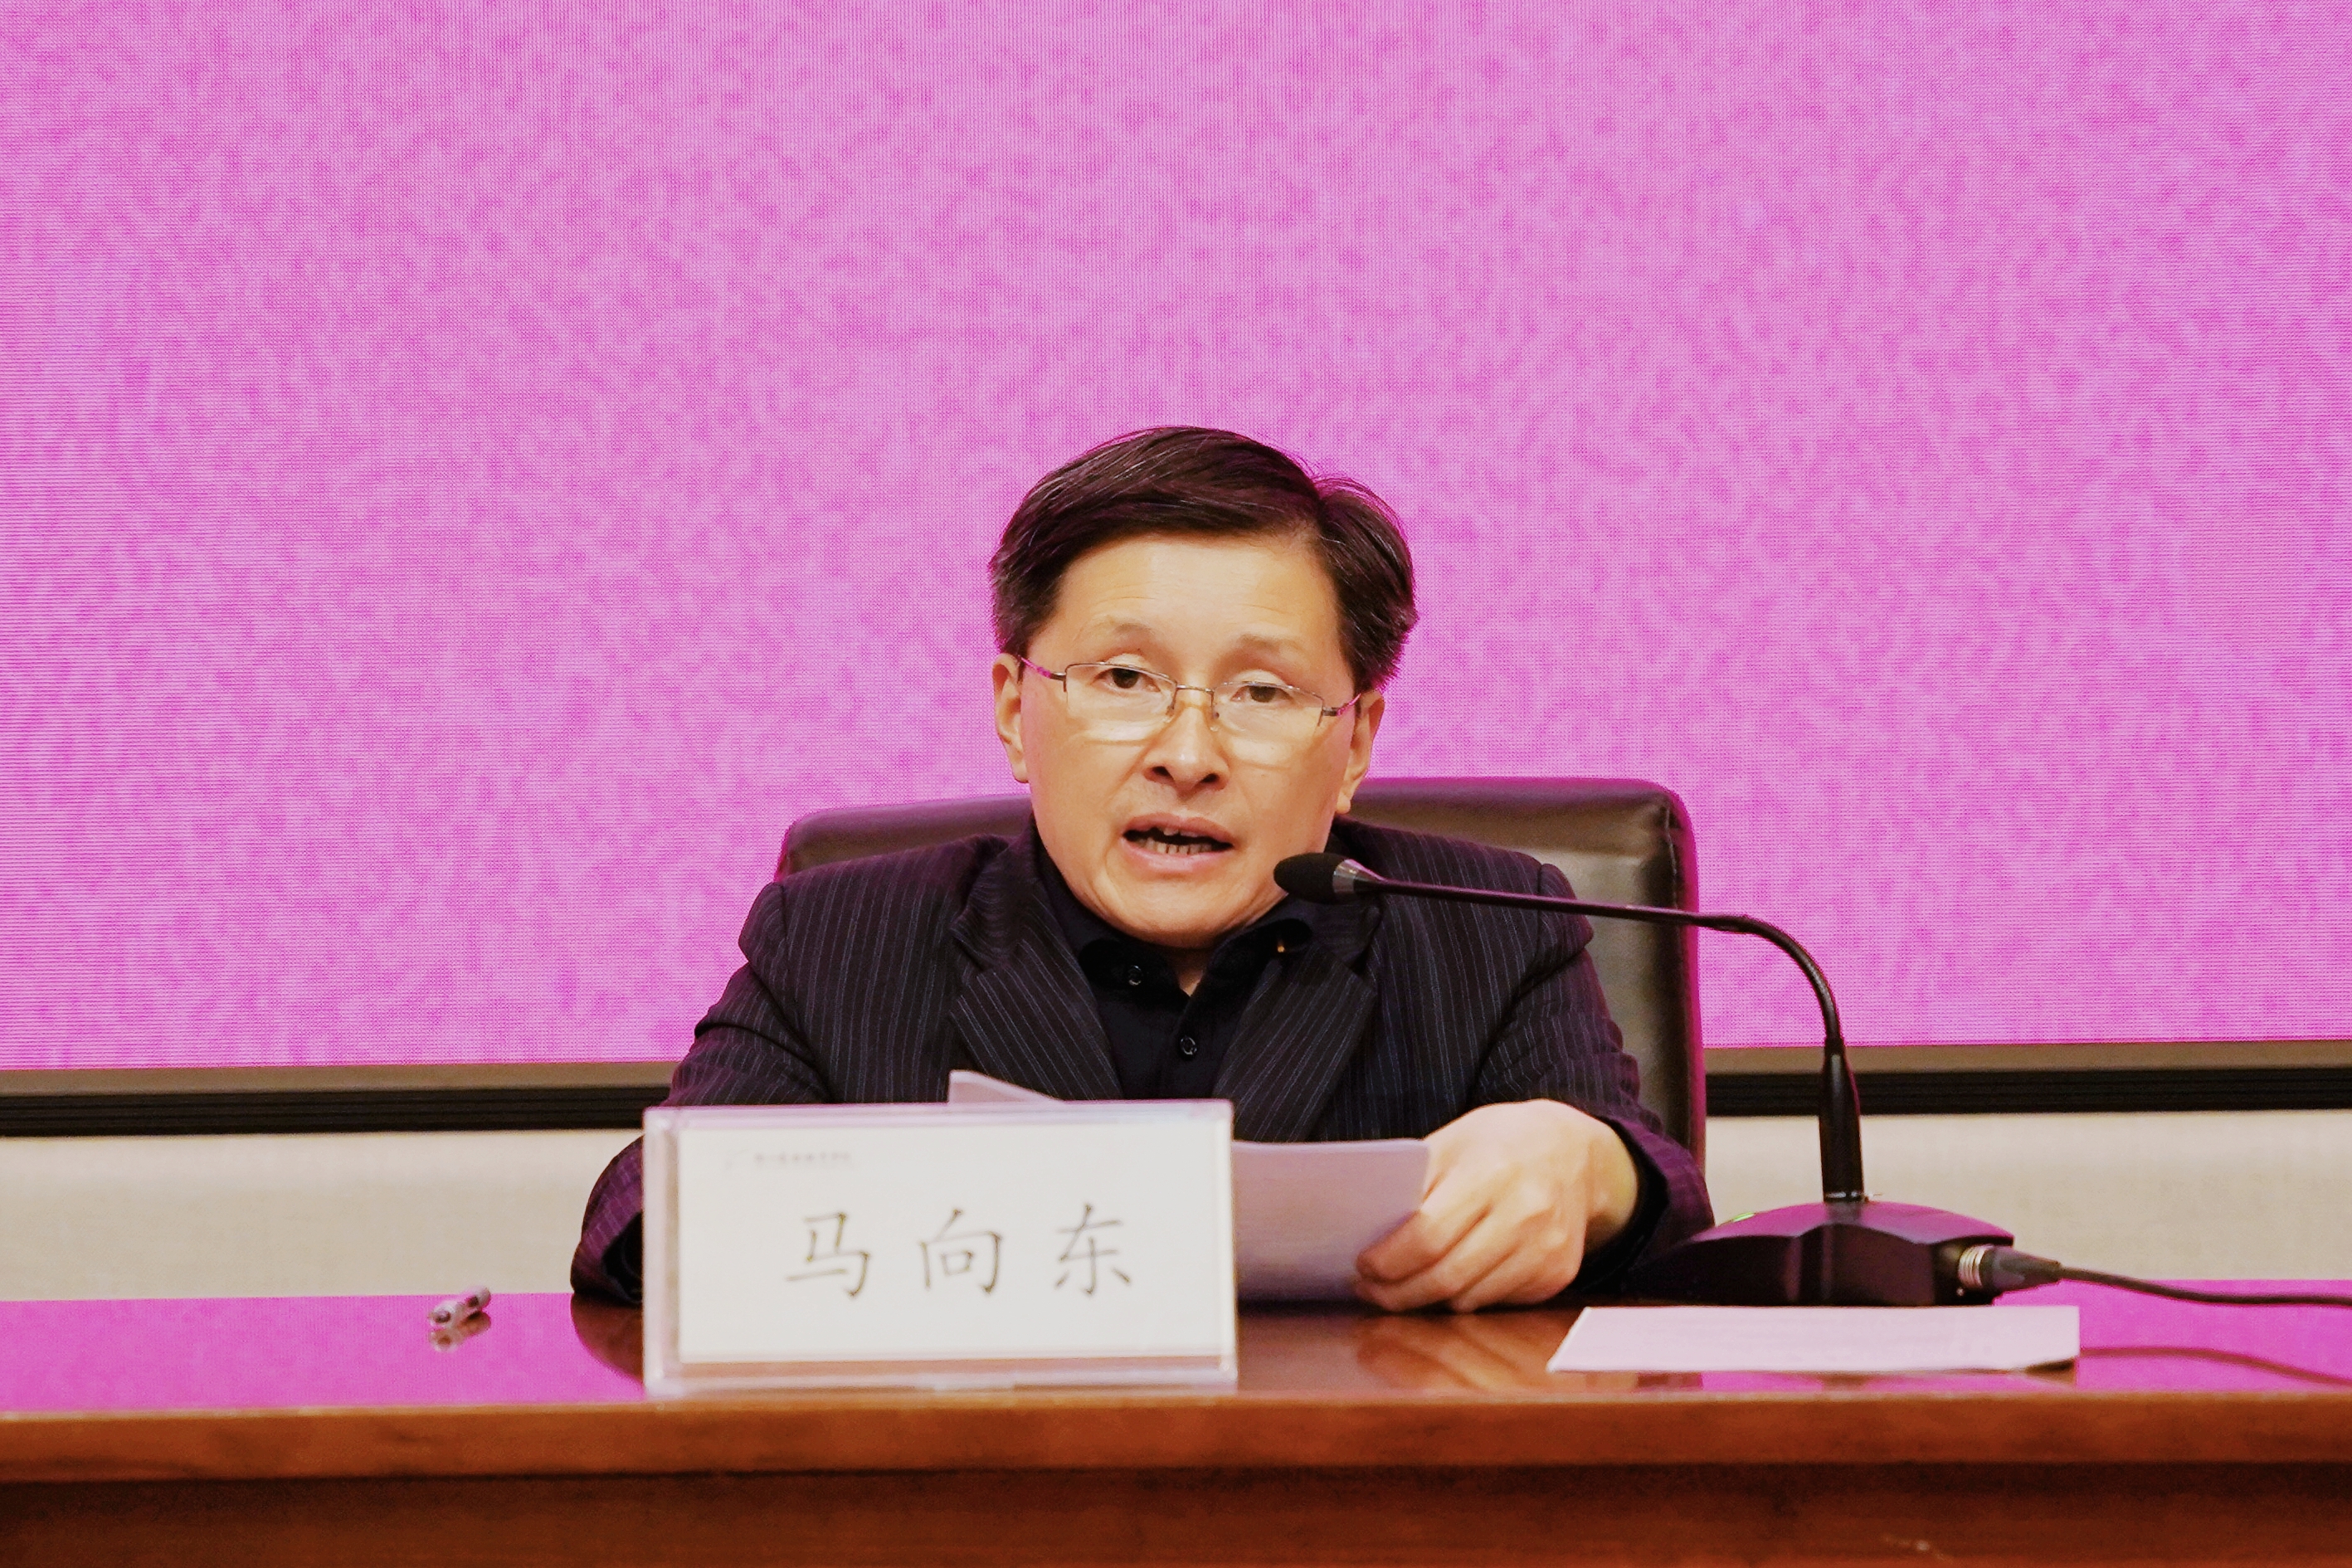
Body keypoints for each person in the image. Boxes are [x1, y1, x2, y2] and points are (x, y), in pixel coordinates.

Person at [572, 427, 1712, 1307]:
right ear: (1015, 710)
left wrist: (1591, 1168)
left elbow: (1667, 1225)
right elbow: (637, 1225)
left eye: (1261, 692)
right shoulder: (842, 939)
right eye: (1124, 680)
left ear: (1357, 741)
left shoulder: (1490, 929)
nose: (1188, 754)